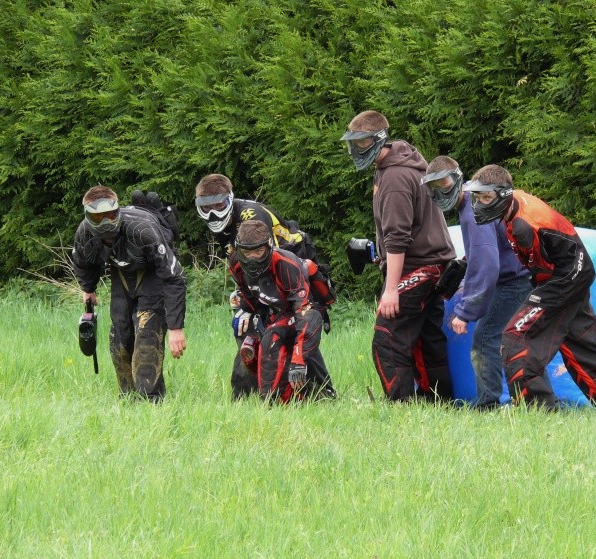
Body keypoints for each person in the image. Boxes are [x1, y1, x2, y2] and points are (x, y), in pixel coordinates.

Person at [466, 164, 596, 410]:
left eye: (486, 198)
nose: (480, 204)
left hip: (566, 278)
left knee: (516, 335)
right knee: (579, 343)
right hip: (566, 277)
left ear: (504, 195)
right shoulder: (513, 206)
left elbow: (568, 264)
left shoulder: (525, 225)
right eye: (478, 198)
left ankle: (539, 409)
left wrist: (549, 294)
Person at [340, 110, 455, 401]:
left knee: (387, 341)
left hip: (419, 268)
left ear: (379, 140)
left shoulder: (394, 176)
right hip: (437, 265)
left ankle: (400, 407)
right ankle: (440, 403)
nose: (355, 150)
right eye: (353, 143)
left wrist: (391, 289)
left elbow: (398, 237)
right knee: (428, 340)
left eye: (362, 143)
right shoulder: (400, 166)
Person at [194, 173, 336, 399]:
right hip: (263, 275)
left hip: (295, 263)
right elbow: (243, 264)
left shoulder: (254, 216)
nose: (212, 214)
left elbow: (271, 260)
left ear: (230, 200)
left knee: (299, 327)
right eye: (206, 208)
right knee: (249, 329)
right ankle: (249, 394)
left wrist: (261, 302)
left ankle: (319, 391)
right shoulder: (221, 228)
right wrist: (246, 302)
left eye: (218, 206)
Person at [422, 156, 533, 410]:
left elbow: (488, 263)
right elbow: (486, 251)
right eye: (434, 186)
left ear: (458, 177)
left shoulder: (473, 210)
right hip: (517, 278)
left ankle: (489, 405)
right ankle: (530, 400)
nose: (441, 190)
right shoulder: (472, 203)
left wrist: (465, 312)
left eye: (444, 182)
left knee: (484, 342)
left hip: (512, 282)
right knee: (515, 341)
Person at [71, 185, 187, 401]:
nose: (106, 223)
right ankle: (129, 402)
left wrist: (176, 327)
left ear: (118, 211)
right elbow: (82, 261)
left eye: (110, 215)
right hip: (122, 273)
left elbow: (174, 277)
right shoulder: (84, 232)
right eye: (98, 218)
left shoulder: (142, 230)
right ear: (87, 216)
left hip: (153, 275)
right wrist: (88, 288)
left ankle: (151, 403)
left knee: (147, 339)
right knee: (120, 341)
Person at [228, 220, 332, 403]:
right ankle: (248, 397)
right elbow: (248, 291)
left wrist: (299, 359)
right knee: (247, 338)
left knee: (276, 340)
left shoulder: (287, 264)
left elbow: (305, 312)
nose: (252, 259)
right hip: (272, 311)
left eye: (258, 252)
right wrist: (246, 309)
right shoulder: (236, 262)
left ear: (268, 247)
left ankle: (314, 396)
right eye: (247, 252)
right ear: (238, 249)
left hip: (303, 309)